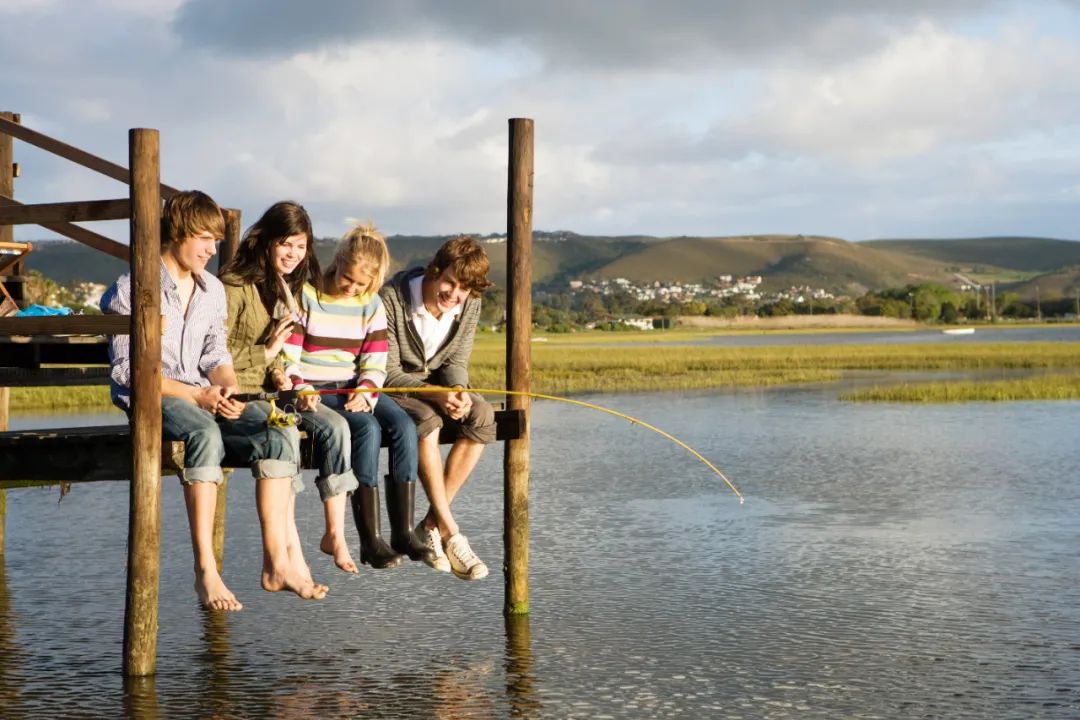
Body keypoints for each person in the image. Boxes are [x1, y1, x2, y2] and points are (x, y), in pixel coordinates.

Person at [101, 190, 326, 611]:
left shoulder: (211, 290)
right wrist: (197, 395)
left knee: (277, 429)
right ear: (177, 234)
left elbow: (216, 356)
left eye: (216, 241)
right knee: (204, 431)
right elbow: (128, 371)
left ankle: (276, 562)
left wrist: (226, 388)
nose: (212, 249)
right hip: (154, 397)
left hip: (201, 394)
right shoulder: (135, 288)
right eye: (203, 238)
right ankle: (206, 570)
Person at [219, 201, 362, 575]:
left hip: (275, 393)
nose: (294, 254)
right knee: (282, 434)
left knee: (336, 427)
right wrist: (264, 353)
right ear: (265, 241)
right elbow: (212, 356)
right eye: (286, 244)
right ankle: (283, 557)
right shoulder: (234, 286)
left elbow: (279, 355)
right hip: (240, 395)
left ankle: (336, 533)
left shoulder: (286, 288)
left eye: (301, 246)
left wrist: (283, 373)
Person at [280, 223, 433, 570]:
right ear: (338, 261)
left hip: (354, 384)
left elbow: (375, 360)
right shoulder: (308, 295)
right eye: (347, 279)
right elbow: (288, 356)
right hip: (316, 388)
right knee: (367, 429)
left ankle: (404, 531)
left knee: (404, 427)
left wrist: (367, 389)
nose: (351, 288)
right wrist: (299, 386)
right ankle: (369, 538)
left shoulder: (371, 304)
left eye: (360, 284)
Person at [380, 236, 495, 581]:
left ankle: (429, 524)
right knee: (427, 419)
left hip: (437, 387)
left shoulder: (468, 304)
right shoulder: (392, 299)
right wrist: (438, 394)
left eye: (464, 289)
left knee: (483, 414)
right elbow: (387, 373)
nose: (454, 295)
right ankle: (451, 532)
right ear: (434, 270)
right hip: (396, 388)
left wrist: (457, 390)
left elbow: (457, 361)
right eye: (450, 282)